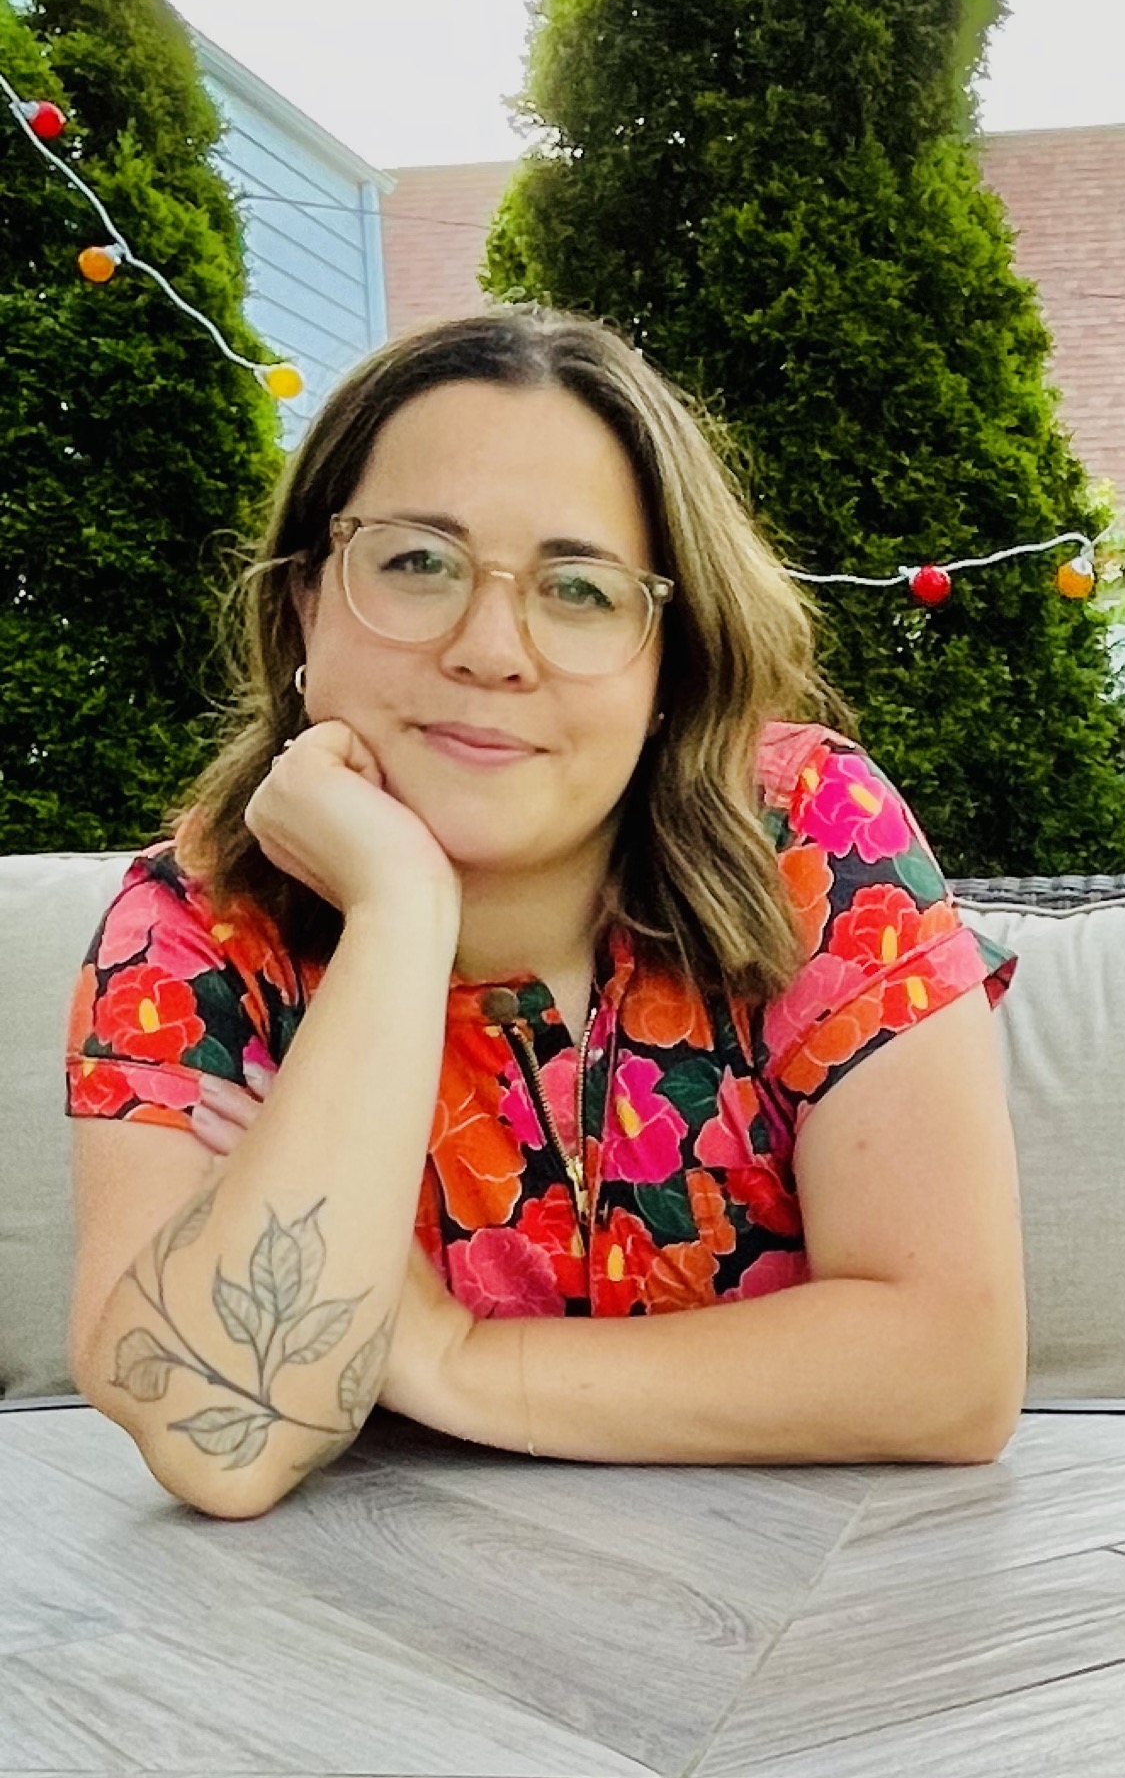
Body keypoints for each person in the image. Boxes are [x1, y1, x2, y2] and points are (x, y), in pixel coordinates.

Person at [61, 308, 1027, 1520]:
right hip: (348, 1645)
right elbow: (221, 1442)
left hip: (824, 1614)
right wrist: (401, 913)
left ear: (665, 659)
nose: (491, 648)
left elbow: (951, 1375)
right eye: (417, 561)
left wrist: (454, 1360)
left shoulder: (812, 832)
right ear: (307, 603)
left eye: (578, 588)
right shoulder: (189, 928)